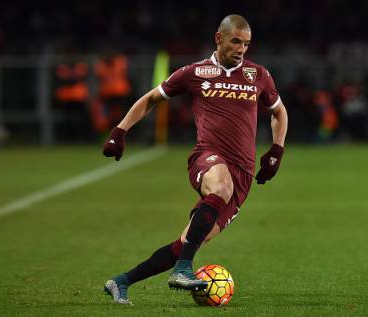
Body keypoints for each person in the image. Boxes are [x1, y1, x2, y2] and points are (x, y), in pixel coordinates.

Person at [102, 14, 288, 305]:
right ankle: (185, 270)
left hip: (242, 176)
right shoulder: (194, 73)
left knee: (186, 243)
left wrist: (276, 151)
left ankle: (122, 282)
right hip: (207, 157)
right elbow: (152, 98)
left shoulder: (259, 75)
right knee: (220, 186)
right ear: (219, 38)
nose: (241, 49)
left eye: (247, 44)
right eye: (236, 41)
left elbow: (279, 111)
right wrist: (119, 130)